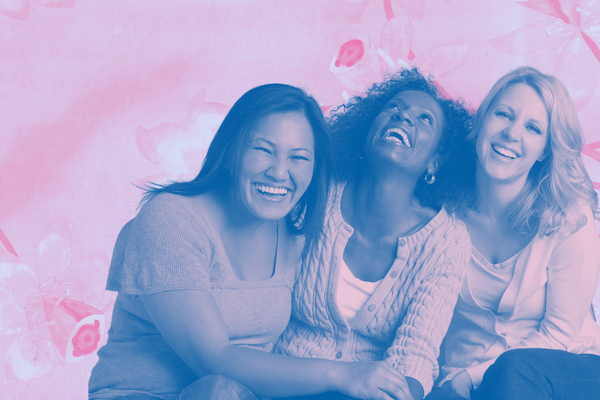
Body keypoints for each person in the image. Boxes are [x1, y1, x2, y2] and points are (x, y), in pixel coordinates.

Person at [88, 82, 430, 400]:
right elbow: (214, 359)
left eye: (298, 157)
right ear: (231, 152)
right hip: (145, 394)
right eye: (264, 150)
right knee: (219, 390)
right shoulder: (171, 220)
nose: (280, 172)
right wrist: (344, 374)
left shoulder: (295, 232)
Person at [273, 68, 474, 400]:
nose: (404, 117)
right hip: (283, 380)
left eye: (425, 119)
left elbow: (416, 353)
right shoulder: (315, 193)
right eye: (394, 109)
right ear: (366, 133)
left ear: (435, 162)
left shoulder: (446, 241)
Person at [427, 67, 600, 400]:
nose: (511, 133)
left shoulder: (567, 216)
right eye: (503, 114)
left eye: (533, 128)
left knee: (512, 372)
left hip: (567, 371)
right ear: (480, 123)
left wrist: (470, 376)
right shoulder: (440, 213)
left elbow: (559, 334)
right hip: (460, 384)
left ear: (545, 151)